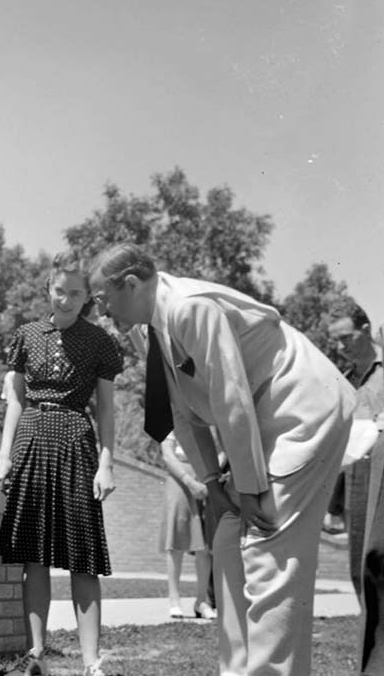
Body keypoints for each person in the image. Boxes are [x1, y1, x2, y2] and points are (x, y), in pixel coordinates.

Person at [88, 243, 355, 676]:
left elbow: (231, 398)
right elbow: (180, 411)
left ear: (131, 285)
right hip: (259, 420)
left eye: (102, 300)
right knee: (229, 538)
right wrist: (212, 482)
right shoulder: (146, 329)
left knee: (270, 550)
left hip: (302, 412)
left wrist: (250, 488)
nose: (102, 313)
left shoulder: (190, 309)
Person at [0, 250, 122, 676]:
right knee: (35, 555)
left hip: (75, 441)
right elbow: (13, 401)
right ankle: (36, 654)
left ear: (87, 297)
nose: (66, 300)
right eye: (59, 291)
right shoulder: (27, 335)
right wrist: (5, 454)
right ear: (48, 288)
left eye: (76, 293)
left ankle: (91, 662)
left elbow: (105, 411)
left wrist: (107, 464)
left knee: (82, 555)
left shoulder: (100, 342)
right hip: (30, 436)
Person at [328, 305, 384, 673]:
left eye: (347, 338)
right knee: (359, 576)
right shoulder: (348, 379)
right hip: (356, 490)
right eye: (337, 342)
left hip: (381, 485)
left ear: (367, 330)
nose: (342, 347)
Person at [160, 433, 215, 620]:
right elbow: (167, 455)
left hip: (205, 480)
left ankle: (202, 601)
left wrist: (209, 476)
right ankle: (174, 600)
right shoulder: (170, 423)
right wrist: (189, 480)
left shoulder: (209, 418)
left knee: (205, 544)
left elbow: (222, 450)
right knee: (176, 541)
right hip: (178, 482)